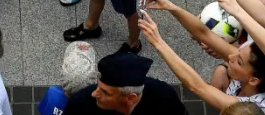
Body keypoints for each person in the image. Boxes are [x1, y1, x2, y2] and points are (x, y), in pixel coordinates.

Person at [60, 51, 188, 115]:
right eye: (98, 86)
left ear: (131, 98)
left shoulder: (164, 98)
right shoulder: (80, 105)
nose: (94, 94)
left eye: (105, 92)